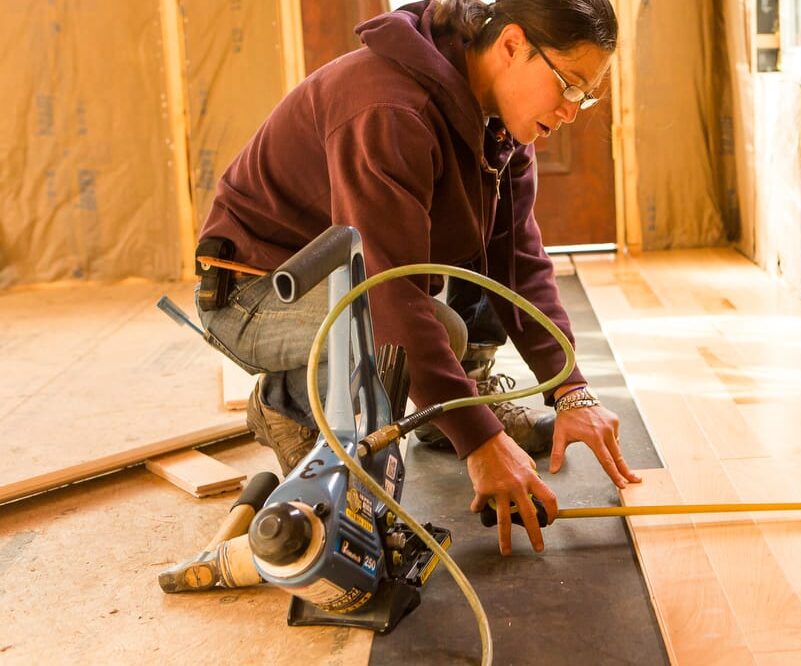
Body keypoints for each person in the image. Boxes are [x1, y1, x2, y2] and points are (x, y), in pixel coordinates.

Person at [192, 0, 641, 556]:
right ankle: (287, 404)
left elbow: (517, 263)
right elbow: (388, 298)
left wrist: (571, 388)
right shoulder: (388, 108)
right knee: (430, 332)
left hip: (348, 281)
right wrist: (481, 443)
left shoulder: (500, 128)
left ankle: (439, 412)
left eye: (585, 95)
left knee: (449, 298)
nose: (573, 110)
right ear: (511, 46)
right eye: (569, 86)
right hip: (253, 294)